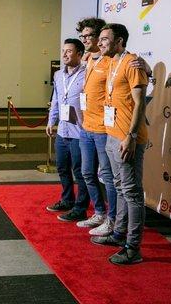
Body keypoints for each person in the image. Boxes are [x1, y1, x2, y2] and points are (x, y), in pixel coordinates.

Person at [91, 23, 148, 265]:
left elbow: (140, 104)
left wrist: (131, 136)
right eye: (100, 39)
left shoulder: (132, 63)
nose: (100, 42)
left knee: (132, 192)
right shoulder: (111, 61)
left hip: (127, 138)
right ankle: (118, 234)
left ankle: (133, 248)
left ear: (120, 41)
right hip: (112, 135)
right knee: (120, 187)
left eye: (105, 39)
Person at [76, 17, 116, 234]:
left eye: (88, 35)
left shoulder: (110, 60)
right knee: (87, 173)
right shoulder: (88, 59)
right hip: (86, 127)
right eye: (82, 36)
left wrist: (145, 66)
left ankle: (112, 219)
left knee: (107, 176)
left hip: (103, 129)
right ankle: (99, 213)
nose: (85, 39)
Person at [45, 38, 89, 222]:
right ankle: (67, 200)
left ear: (79, 54)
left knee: (80, 172)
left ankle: (81, 207)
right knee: (62, 168)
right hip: (63, 130)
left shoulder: (87, 72)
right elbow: (56, 99)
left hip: (81, 131)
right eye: (63, 50)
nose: (64, 54)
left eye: (69, 51)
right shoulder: (58, 75)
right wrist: (51, 121)